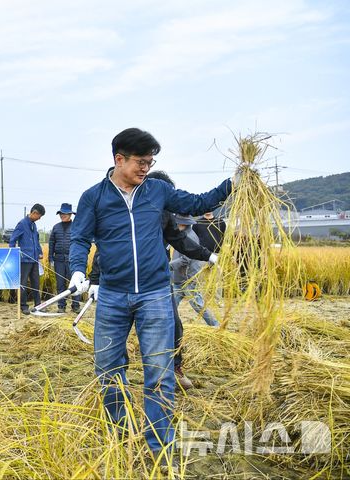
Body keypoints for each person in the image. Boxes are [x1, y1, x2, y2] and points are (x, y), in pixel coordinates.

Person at [69, 128, 233, 465]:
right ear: (119, 159)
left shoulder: (158, 191)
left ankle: (161, 448)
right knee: (109, 371)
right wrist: (77, 271)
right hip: (113, 296)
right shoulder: (94, 198)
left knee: (159, 373)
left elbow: (198, 202)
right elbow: (80, 238)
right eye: (141, 162)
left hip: (156, 296)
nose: (146, 168)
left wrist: (232, 184)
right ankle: (118, 438)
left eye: (150, 162)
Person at [87, 170, 218, 390]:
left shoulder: (164, 213)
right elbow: (103, 249)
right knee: (117, 332)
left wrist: (208, 255)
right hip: (121, 285)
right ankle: (117, 377)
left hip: (157, 283)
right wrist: (95, 280)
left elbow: (179, 240)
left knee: (174, 326)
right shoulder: (121, 210)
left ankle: (174, 370)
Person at [170, 215, 220, 327]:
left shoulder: (190, 237)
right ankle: (169, 326)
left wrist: (170, 266)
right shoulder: (181, 235)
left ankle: (216, 325)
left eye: (177, 223)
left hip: (189, 278)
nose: (176, 225)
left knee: (198, 305)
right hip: (180, 278)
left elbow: (185, 260)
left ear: (183, 224)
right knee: (171, 305)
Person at [9, 204, 45, 315]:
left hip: (34, 259)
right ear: (34, 213)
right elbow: (12, 240)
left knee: (36, 282)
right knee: (23, 283)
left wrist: (39, 252)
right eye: (39, 216)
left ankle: (38, 304)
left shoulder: (34, 225)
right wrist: (14, 254)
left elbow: (36, 241)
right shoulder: (22, 224)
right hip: (24, 259)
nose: (40, 218)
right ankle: (23, 306)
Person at [48, 203, 80, 313]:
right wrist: (50, 259)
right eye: (61, 213)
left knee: (74, 283)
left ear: (70, 214)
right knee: (60, 284)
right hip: (59, 260)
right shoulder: (56, 227)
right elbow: (51, 243)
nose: (63, 215)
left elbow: (80, 242)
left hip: (73, 260)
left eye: (65, 213)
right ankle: (61, 306)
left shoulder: (76, 226)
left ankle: (75, 305)